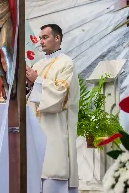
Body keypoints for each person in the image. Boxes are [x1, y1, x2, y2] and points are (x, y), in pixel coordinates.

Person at [26, 24, 79, 193]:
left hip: (54, 131)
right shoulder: (39, 64)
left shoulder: (66, 63)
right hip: (35, 130)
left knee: (52, 176)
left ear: (57, 38)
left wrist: (37, 81)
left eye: (45, 37)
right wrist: (27, 86)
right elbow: (30, 97)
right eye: (40, 38)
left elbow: (61, 95)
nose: (41, 41)